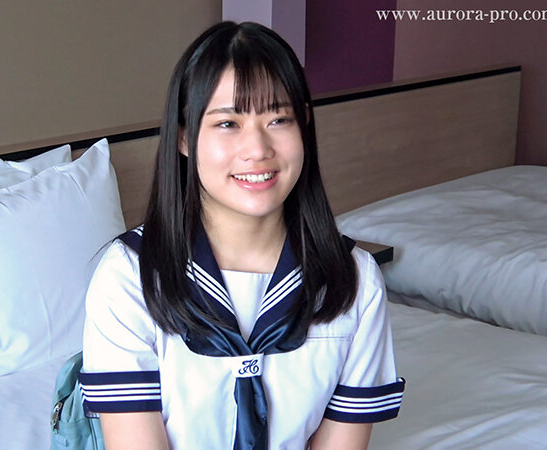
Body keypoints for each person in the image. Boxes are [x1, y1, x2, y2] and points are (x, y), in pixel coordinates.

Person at [79, 21, 404, 450]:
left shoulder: (353, 280)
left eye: (279, 119)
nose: (258, 149)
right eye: (228, 123)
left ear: (304, 125)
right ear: (184, 137)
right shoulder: (131, 276)